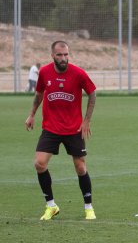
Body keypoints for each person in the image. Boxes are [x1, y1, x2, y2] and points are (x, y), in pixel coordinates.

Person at [25, 41, 97, 220]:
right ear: (53, 56)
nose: (63, 58)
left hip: (74, 128)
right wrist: (31, 114)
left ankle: (88, 207)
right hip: (51, 128)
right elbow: (39, 93)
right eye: (59, 55)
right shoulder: (44, 72)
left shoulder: (78, 73)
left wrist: (86, 120)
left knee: (80, 167)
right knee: (39, 163)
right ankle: (51, 206)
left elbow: (92, 93)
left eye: (66, 55)